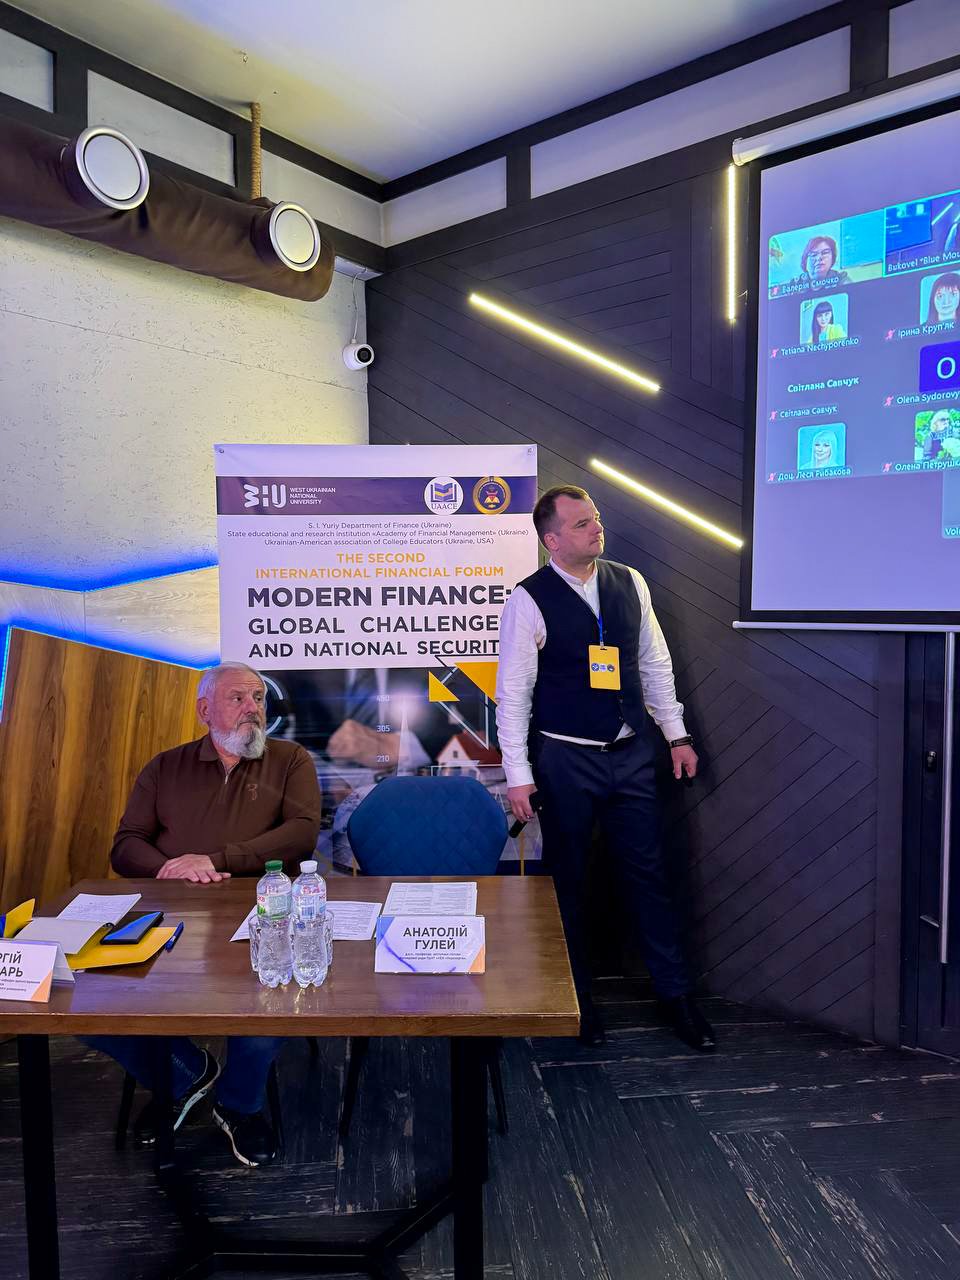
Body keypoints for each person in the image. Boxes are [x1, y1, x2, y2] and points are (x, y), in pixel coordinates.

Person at [495, 486, 715, 1052]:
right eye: (581, 524)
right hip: (565, 758)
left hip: (632, 752)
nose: (596, 528)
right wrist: (518, 774)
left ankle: (675, 995)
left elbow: (654, 663)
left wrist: (676, 735)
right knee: (567, 880)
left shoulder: (630, 582)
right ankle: (576, 999)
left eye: (595, 519)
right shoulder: (528, 599)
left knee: (650, 875)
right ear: (551, 540)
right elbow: (514, 694)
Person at [84, 661, 322, 1167]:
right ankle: (184, 1073)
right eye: (238, 698)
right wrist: (168, 868)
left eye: (258, 698)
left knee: (270, 1000)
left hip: (260, 912)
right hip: (173, 914)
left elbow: (302, 834)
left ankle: (238, 1105)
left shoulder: (290, 759)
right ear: (204, 710)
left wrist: (214, 860)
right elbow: (126, 846)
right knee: (82, 997)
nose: (253, 707)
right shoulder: (165, 767)